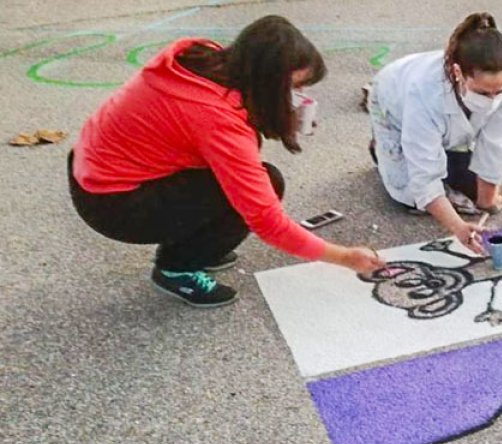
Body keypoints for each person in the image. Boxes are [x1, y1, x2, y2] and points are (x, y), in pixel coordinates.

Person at [68, 16, 383, 308]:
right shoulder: (216, 120)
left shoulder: (205, 57)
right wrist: (344, 257)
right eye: (293, 87)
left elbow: (218, 120)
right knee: (265, 185)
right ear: (265, 82)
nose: (298, 95)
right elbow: (266, 220)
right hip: (114, 203)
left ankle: (199, 244)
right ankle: (177, 269)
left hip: (94, 168)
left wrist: (282, 114)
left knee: (245, 183)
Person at [368, 12, 502, 255]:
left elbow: (496, 143)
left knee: (475, 193)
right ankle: (381, 148)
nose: (492, 101)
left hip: (441, 122)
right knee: (410, 196)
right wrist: (458, 228)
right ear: (458, 73)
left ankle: (441, 152)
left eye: (498, 92)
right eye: (482, 92)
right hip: (392, 103)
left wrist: (487, 202)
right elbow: (425, 180)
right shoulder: (424, 92)